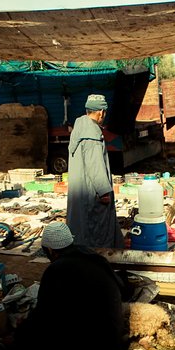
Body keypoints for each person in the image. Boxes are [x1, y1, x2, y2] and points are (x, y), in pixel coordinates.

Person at [12, 221, 129, 350]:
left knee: (28, 340)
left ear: (49, 250)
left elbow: (45, 314)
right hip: (113, 338)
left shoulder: (57, 269)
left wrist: (23, 329)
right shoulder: (92, 257)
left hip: (92, 348)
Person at [66, 94, 123, 248]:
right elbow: (95, 166)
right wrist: (104, 191)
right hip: (91, 193)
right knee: (95, 230)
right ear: (101, 112)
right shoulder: (91, 134)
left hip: (80, 190)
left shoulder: (80, 126)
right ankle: (96, 262)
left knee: (79, 227)